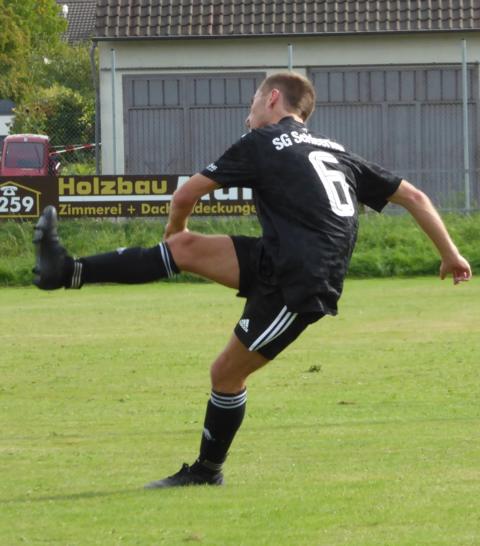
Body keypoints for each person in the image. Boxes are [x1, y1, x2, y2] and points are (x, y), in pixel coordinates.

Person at [33, 72, 472, 489]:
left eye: (252, 104)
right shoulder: (335, 149)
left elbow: (185, 194)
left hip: (299, 282)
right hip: (282, 257)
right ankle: (66, 271)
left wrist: (172, 233)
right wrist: (451, 254)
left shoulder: (262, 140)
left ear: (273, 98)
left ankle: (207, 471)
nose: (248, 117)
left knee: (225, 372)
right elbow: (414, 196)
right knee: (188, 252)